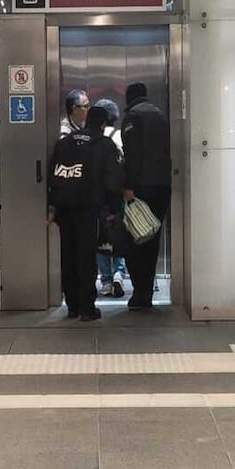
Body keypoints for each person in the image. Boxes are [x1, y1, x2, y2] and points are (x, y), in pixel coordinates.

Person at [47, 107, 123, 322]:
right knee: (86, 256)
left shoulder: (64, 143)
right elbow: (113, 180)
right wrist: (113, 209)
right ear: (103, 125)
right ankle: (87, 308)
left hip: (64, 207)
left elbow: (53, 174)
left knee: (68, 255)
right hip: (89, 208)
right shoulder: (103, 145)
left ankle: (72, 305)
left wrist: (53, 207)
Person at [121, 83, 172, 310]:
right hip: (162, 185)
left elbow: (132, 155)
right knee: (152, 237)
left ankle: (139, 293)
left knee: (134, 239)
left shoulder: (133, 117)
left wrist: (128, 185)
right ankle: (147, 294)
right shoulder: (160, 115)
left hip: (141, 187)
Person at [93, 98, 127, 299]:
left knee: (101, 239)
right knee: (119, 235)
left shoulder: (95, 138)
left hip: (99, 196)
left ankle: (105, 281)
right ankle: (119, 274)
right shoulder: (121, 135)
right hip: (119, 194)